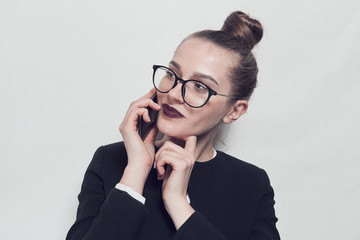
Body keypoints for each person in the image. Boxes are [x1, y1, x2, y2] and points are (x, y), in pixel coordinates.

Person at [66, 11, 280, 240]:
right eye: (172, 74)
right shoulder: (110, 160)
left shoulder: (251, 184)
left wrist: (178, 204)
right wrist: (136, 172)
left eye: (200, 86)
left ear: (234, 110)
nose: (175, 93)